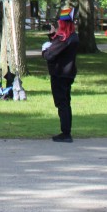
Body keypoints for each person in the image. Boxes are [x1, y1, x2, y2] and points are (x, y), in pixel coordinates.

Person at [43, 8, 79, 143]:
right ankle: (66, 131)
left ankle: (66, 133)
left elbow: (50, 54)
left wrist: (44, 49)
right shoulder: (73, 37)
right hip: (68, 74)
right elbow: (58, 47)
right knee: (66, 103)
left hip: (59, 74)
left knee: (61, 103)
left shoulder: (64, 39)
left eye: (59, 23)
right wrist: (53, 35)